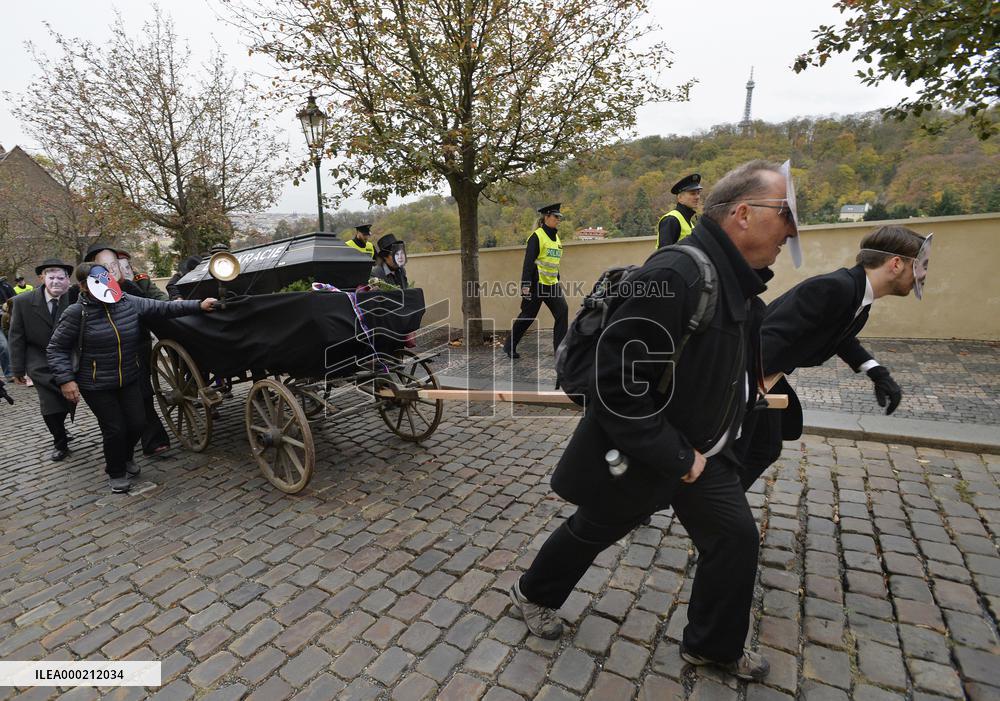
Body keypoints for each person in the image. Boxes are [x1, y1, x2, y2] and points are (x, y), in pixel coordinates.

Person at [507, 160, 800, 682]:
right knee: (593, 528)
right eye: (785, 215)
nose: (792, 230)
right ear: (743, 214)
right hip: (657, 453)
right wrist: (678, 457)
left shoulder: (734, 279)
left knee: (734, 539)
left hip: (705, 452)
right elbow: (616, 383)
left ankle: (712, 646)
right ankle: (532, 593)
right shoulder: (675, 274)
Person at [735, 225, 930, 491]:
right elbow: (770, 336)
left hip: (765, 376)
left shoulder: (857, 295)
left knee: (763, 449)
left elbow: (840, 336)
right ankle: (715, 513)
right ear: (896, 264)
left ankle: (716, 508)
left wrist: (876, 371)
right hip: (749, 376)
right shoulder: (834, 288)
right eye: (920, 266)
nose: (924, 274)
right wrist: (743, 390)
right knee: (745, 450)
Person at [47, 262, 216, 493]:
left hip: (128, 376)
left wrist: (199, 305)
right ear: (83, 286)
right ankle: (115, 472)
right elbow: (56, 348)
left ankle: (125, 457)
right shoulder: (76, 313)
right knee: (115, 428)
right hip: (95, 383)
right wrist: (66, 380)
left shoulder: (127, 301)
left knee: (137, 422)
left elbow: (162, 308)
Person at [7, 259, 79, 460]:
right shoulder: (22, 302)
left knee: (66, 401)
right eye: (51, 277)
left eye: (61, 278)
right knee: (49, 404)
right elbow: (16, 337)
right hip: (39, 359)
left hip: (69, 357)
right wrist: (17, 370)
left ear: (67, 280)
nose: (56, 282)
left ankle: (62, 426)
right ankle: (60, 441)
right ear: (42, 278)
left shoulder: (75, 299)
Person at [502, 203, 569, 359]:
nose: (558, 220)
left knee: (562, 312)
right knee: (527, 316)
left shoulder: (557, 238)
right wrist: (525, 285)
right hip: (536, 284)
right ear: (546, 217)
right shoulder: (536, 237)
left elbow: (553, 260)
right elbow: (528, 263)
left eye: (559, 217)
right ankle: (509, 346)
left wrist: (557, 277)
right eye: (555, 217)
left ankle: (560, 350)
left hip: (551, 284)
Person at [657, 173, 703, 248]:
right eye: (692, 194)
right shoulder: (671, 220)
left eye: (698, 193)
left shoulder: (688, 221)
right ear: (680, 198)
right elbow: (665, 254)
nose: (697, 197)